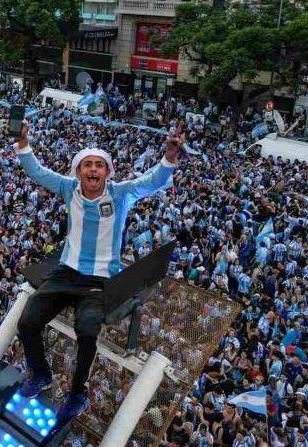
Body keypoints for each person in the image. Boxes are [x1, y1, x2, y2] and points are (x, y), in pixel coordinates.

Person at [12, 121, 184, 421]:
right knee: (27, 322)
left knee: (88, 330)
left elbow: (152, 181)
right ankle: (40, 374)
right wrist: (24, 142)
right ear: (78, 171)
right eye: (87, 165)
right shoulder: (69, 189)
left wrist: (169, 156)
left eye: (99, 165)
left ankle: (77, 393)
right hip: (65, 272)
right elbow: (37, 172)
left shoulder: (120, 195)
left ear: (108, 171)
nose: (93, 170)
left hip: (100, 280)